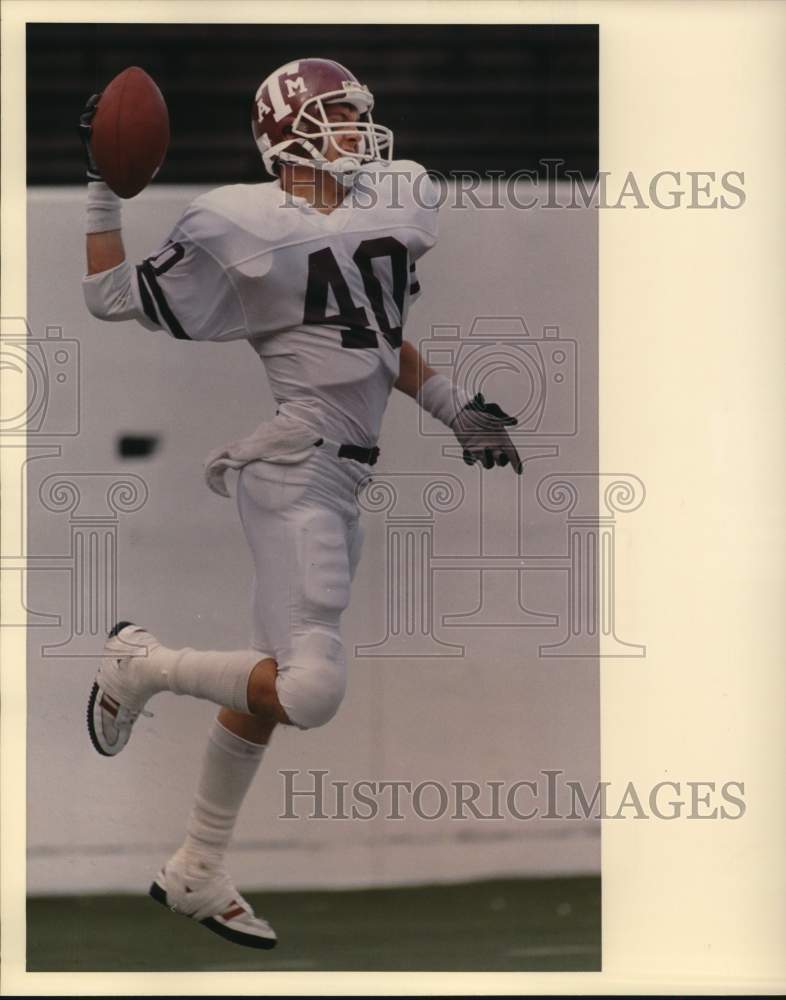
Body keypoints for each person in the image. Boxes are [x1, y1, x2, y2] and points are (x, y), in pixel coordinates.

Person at [80, 57, 521, 950]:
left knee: (273, 681)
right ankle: (141, 665)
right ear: (287, 134)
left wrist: (458, 410)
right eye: (340, 117)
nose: (362, 133)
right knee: (312, 691)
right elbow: (107, 298)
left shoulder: (393, 199)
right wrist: (101, 188)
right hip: (293, 471)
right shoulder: (238, 220)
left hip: (340, 477)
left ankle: (199, 866)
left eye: (361, 115)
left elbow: (378, 336)